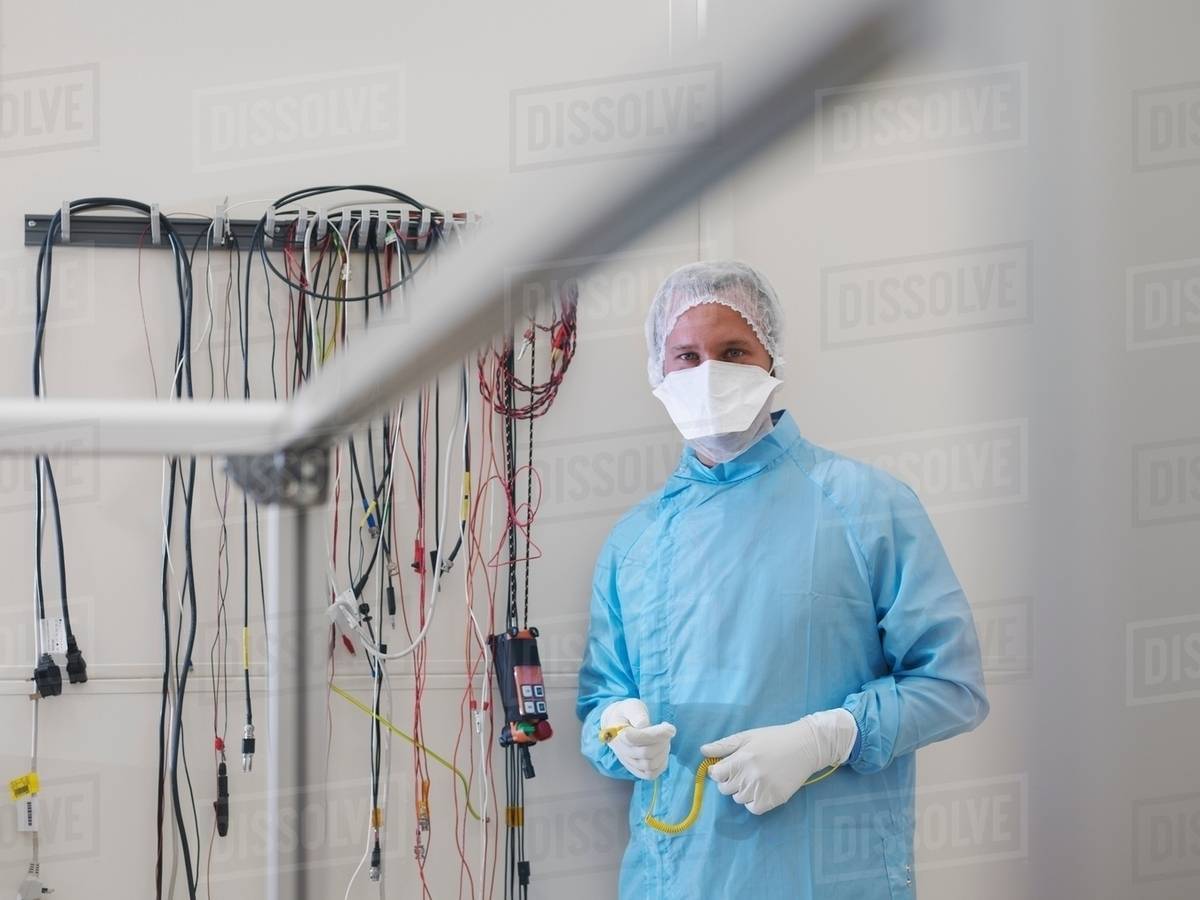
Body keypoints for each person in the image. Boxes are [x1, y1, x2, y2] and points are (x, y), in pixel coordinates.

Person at [576, 261, 989, 899]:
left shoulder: (868, 507)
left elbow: (952, 685)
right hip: (675, 879)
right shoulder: (633, 543)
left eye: (733, 350)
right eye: (686, 355)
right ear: (659, 372)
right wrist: (617, 732)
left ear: (772, 359)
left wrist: (827, 737)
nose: (708, 372)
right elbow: (602, 697)